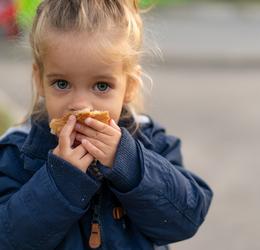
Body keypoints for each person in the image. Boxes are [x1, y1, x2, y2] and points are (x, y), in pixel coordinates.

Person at [0, 1, 213, 249]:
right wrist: (59, 183)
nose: (79, 105)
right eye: (61, 83)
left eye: (101, 86)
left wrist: (130, 163)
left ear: (129, 87)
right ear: (39, 81)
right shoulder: (17, 152)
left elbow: (187, 217)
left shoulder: (149, 140)